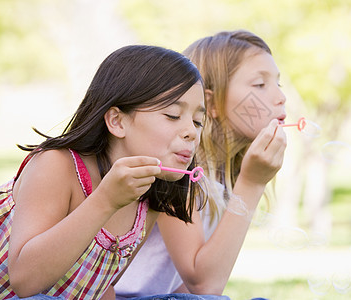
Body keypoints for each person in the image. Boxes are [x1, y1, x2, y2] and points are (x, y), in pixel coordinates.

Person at [0, 45, 207, 299]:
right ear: (117, 121)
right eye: (172, 115)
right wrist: (105, 201)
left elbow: (99, 286)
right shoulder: (57, 166)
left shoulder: (151, 193)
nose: (191, 131)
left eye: (198, 121)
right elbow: (24, 282)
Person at [112, 30, 287, 299]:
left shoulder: (224, 175)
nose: (280, 98)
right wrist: (252, 184)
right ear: (211, 104)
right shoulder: (178, 171)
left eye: (278, 83)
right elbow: (204, 285)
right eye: (260, 85)